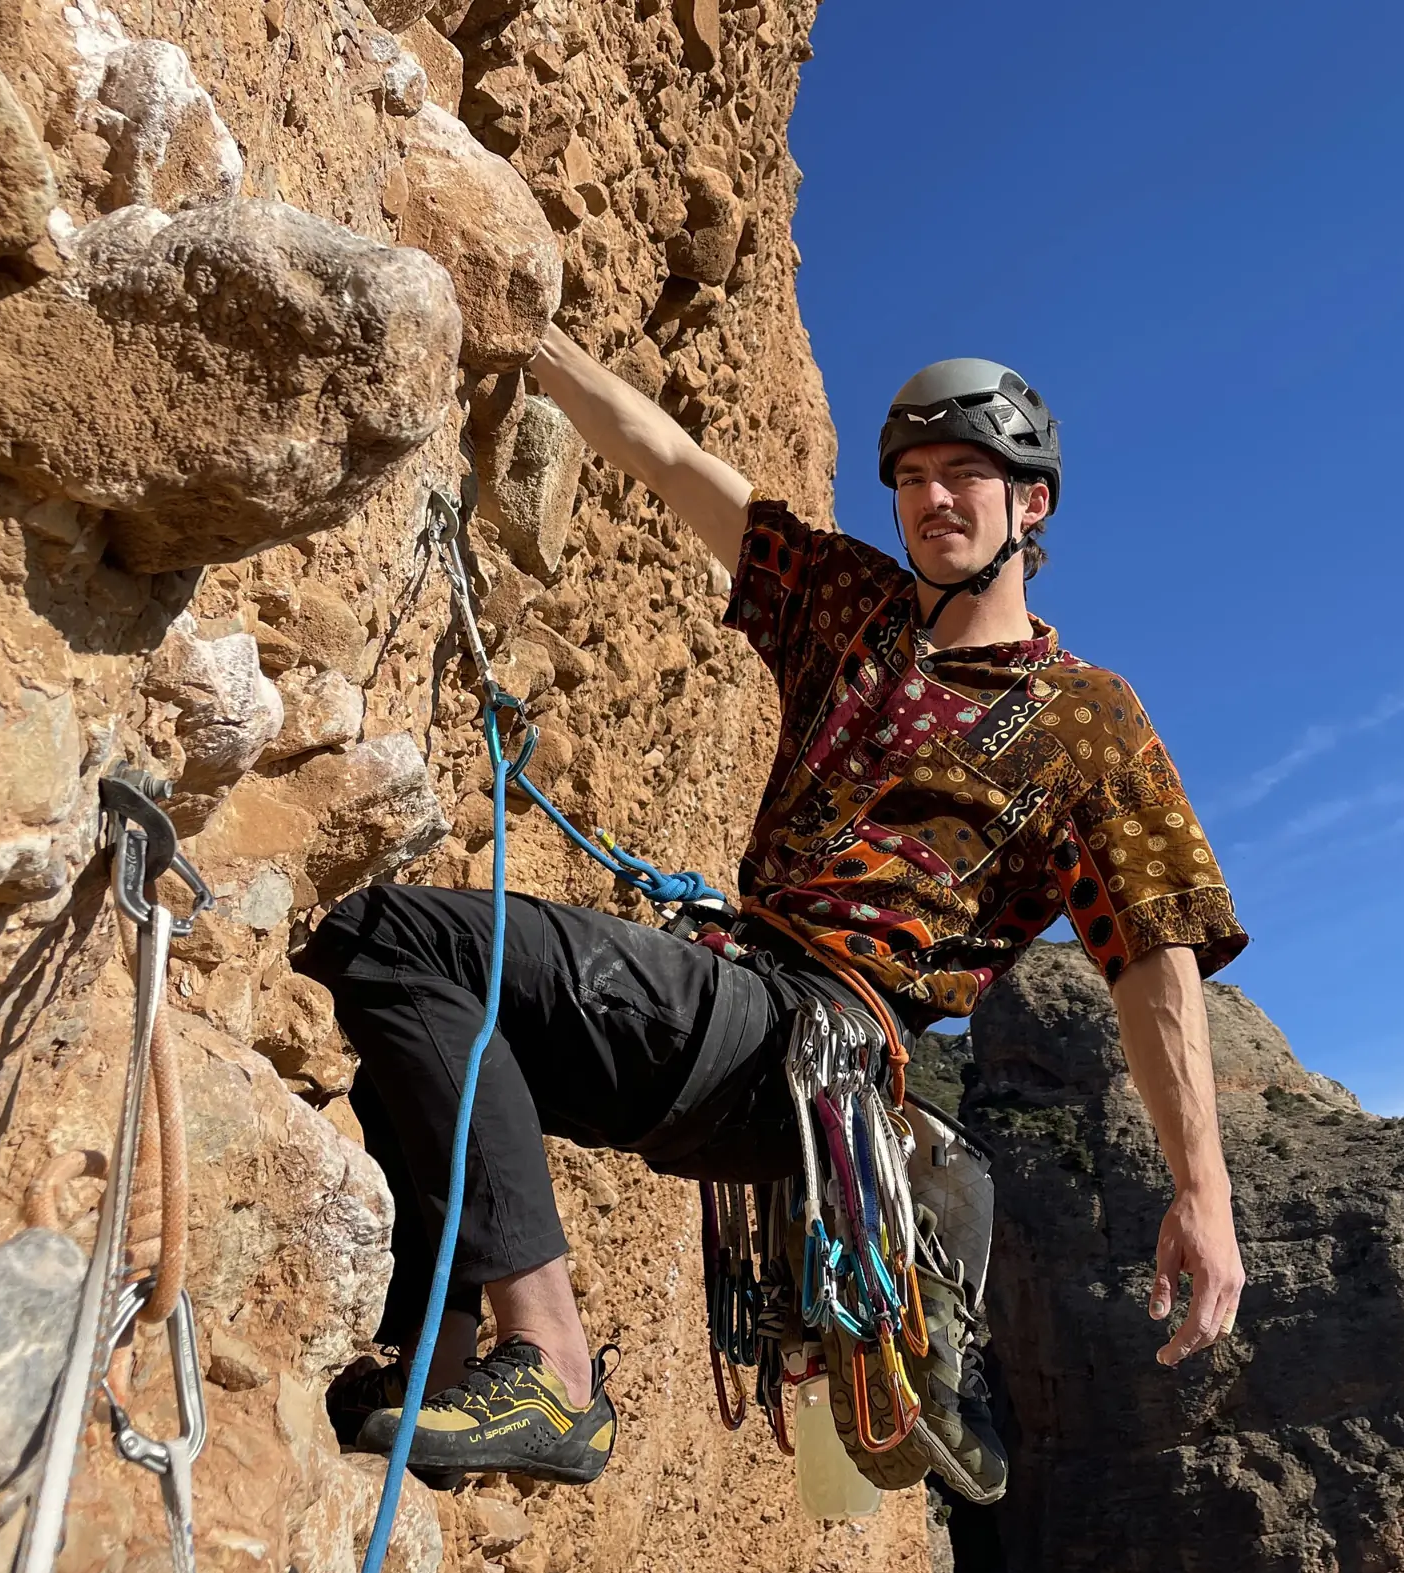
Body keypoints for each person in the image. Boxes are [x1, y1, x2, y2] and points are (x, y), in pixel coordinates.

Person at [298, 330, 1250, 1494]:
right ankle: (433, 1366)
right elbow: (671, 458)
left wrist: (1201, 1190)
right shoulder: (849, 607)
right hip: (737, 1021)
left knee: (415, 942)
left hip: (810, 1045)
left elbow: (1152, 951)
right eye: (910, 477)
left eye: (964, 473)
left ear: (1032, 503)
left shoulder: (1086, 719)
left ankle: (550, 1362)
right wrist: (538, 346)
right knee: (421, 1037)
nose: (932, 497)